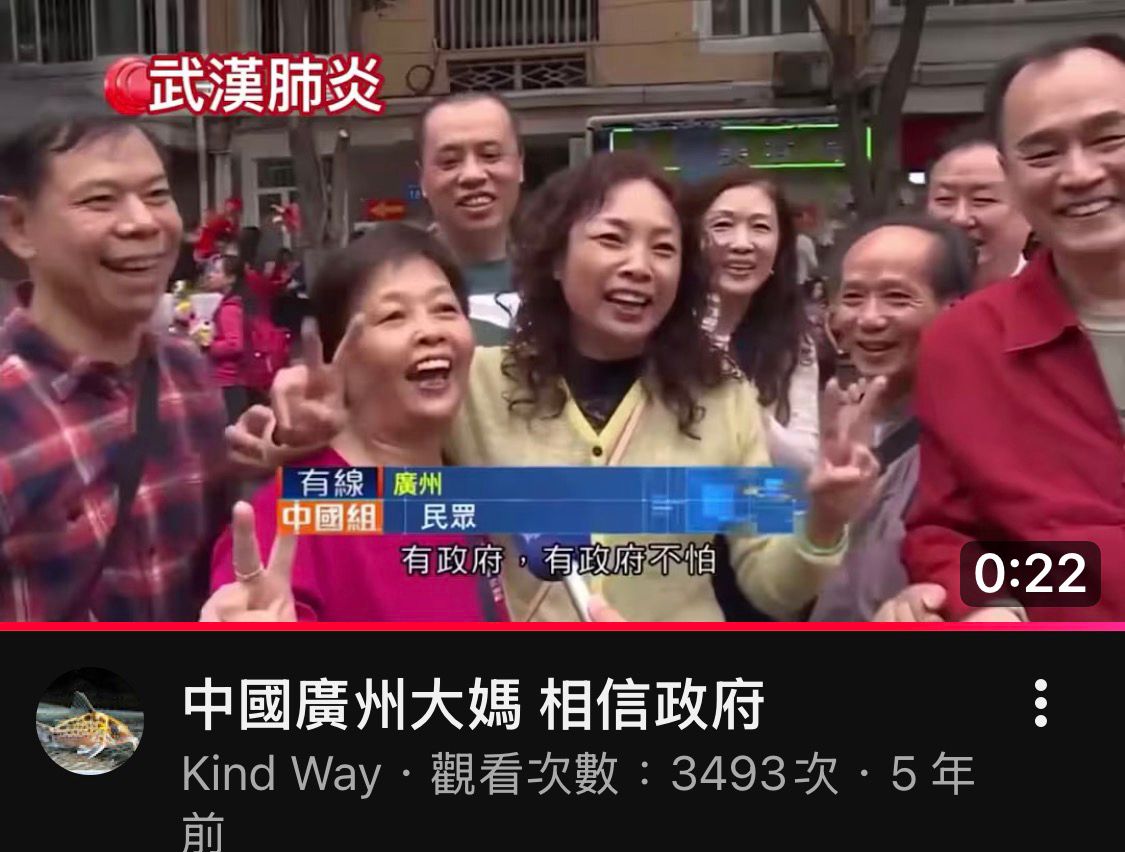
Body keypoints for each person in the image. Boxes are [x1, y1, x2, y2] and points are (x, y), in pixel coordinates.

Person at [243, 152, 882, 622]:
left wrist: (825, 520)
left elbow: (770, 586)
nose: (639, 266)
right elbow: (375, 465)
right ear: (555, 257)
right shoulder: (479, 384)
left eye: (664, 249)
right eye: (611, 240)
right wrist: (296, 426)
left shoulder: (724, 399)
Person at [896, 34, 1125, 622]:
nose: (1080, 173)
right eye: (1042, 154)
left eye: (1109, 139)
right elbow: (950, 536)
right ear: (1012, 175)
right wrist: (988, 602)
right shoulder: (966, 345)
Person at [203, 225, 508, 622]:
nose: (430, 332)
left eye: (445, 310)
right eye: (394, 316)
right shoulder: (289, 518)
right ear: (337, 356)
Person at [0, 115, 234, 621]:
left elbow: (230, 553)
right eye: (100, 200)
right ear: (19, 227)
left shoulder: (189, 375)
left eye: (156, 195)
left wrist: (311, 452)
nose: (142, 222)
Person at [810, 214, 975, 621]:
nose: (869, 319)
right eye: (853, 297)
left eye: (897, 298)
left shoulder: (982, 436)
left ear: (954, 310)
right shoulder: (825, 416)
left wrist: (952, 597)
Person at [688, 167, 819, 472]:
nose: (742, 244)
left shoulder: (794, 340)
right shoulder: (664, 332)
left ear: (780, 245)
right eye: (722, 225)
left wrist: (742, 405)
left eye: (760, 227)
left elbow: (805, 462)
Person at [416, 93, 524, 346]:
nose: (472, 175)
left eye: (490, 155)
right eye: (449, 162)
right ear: (422, 179)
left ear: (520, 166)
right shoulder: (390, 287)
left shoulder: (561, 279)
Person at [925, 124, 1031, 290]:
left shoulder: (1060, 297)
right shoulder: (903, 298)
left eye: (982, 200)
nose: (960, 218)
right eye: (945, 199)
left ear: (1030, 214)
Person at [203, 254, 255, 424]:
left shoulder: (229, 309)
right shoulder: (234, 304)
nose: (210, 275)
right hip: (230, 381)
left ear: (231, 278)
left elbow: (234, 345)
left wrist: (208, 345)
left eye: (216, 271)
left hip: (228, 382)